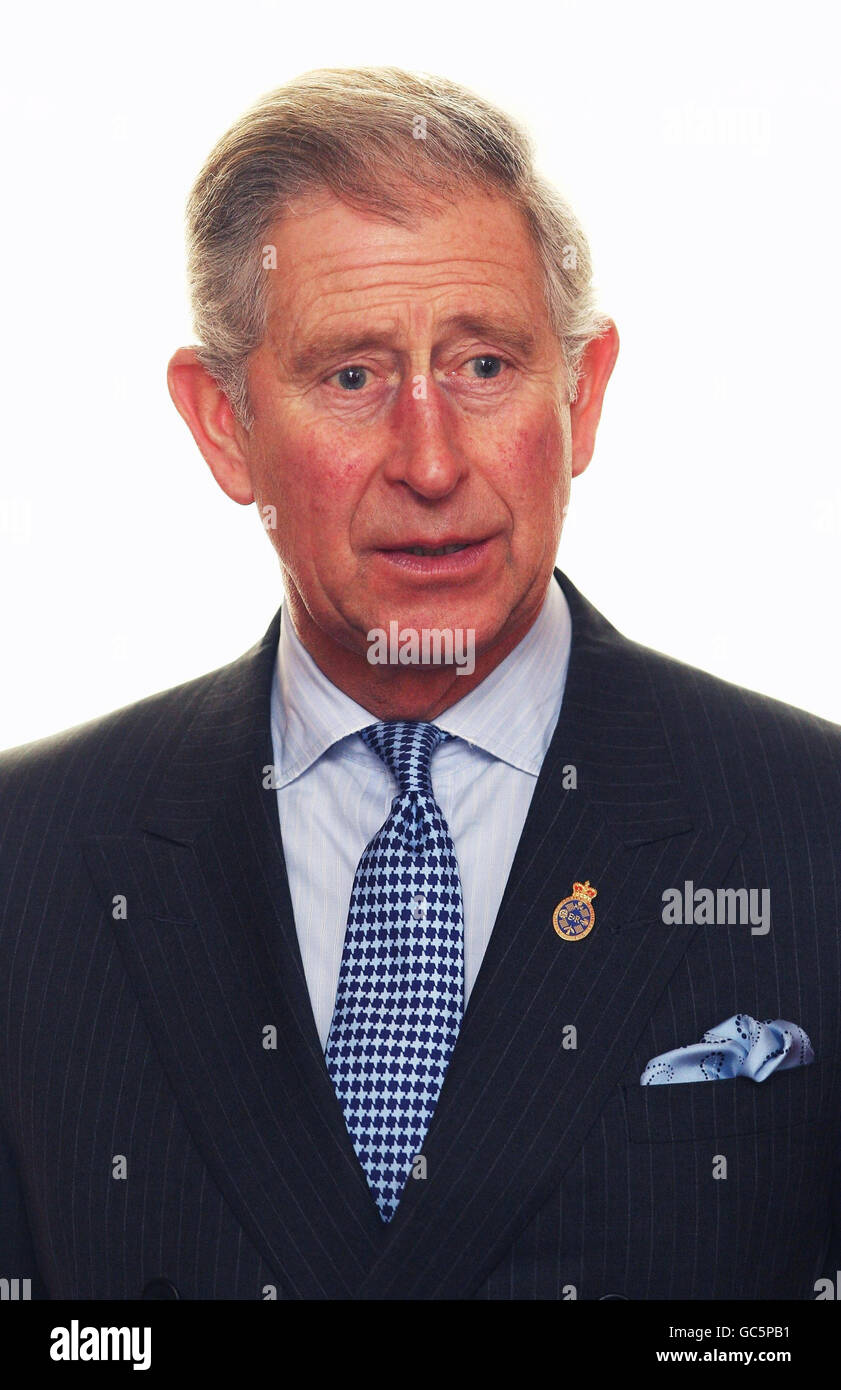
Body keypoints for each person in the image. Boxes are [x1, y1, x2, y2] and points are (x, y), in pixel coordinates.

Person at [1, 66, 839, 1302]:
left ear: (582, 394)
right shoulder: (29, 858)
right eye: (352, 377)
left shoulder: (813, 828)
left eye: (486, 366)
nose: (432, 458)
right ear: (223, 423)